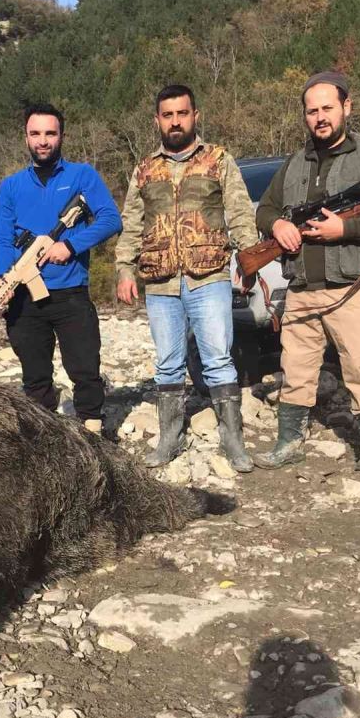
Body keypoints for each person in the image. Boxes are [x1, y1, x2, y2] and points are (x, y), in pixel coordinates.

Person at [253, 70, 360, 472]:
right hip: (303, 287)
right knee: (296, 369)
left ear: (346, 107)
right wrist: (277, 225)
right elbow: (267, 208)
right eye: (312, 111)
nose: (320, 117)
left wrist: (346, 228)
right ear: (304, 116)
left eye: (327, 108)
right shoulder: (293, 163)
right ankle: (289, 443)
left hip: (354, 287)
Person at [116, 83, 259, 471]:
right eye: (168, 115)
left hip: (209, 275)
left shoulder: (218, 159)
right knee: (167, 364)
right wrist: (125, 268)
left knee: (218, 360)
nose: (175, 121)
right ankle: (169, 438)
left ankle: (233, 441)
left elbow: (240, 212)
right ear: (157, 120)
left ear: (195, 116)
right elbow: (131, 223)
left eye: (182, 113)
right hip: (159, 280)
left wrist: (249, 261)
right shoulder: (145, 169)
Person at [0, 103, 122, 432]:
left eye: (50, 133)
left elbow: (110, 219)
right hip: (23, 298)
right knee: (35, 379)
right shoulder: (10, 186)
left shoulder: (82, 176)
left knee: (85, 370)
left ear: (61, 135)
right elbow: (3, 240)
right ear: (26, 138)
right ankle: (44, 443)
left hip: (71, 294)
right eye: (35, 134)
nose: (43, 141)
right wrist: (3, 280)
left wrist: (70, 245)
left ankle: (94, 437)